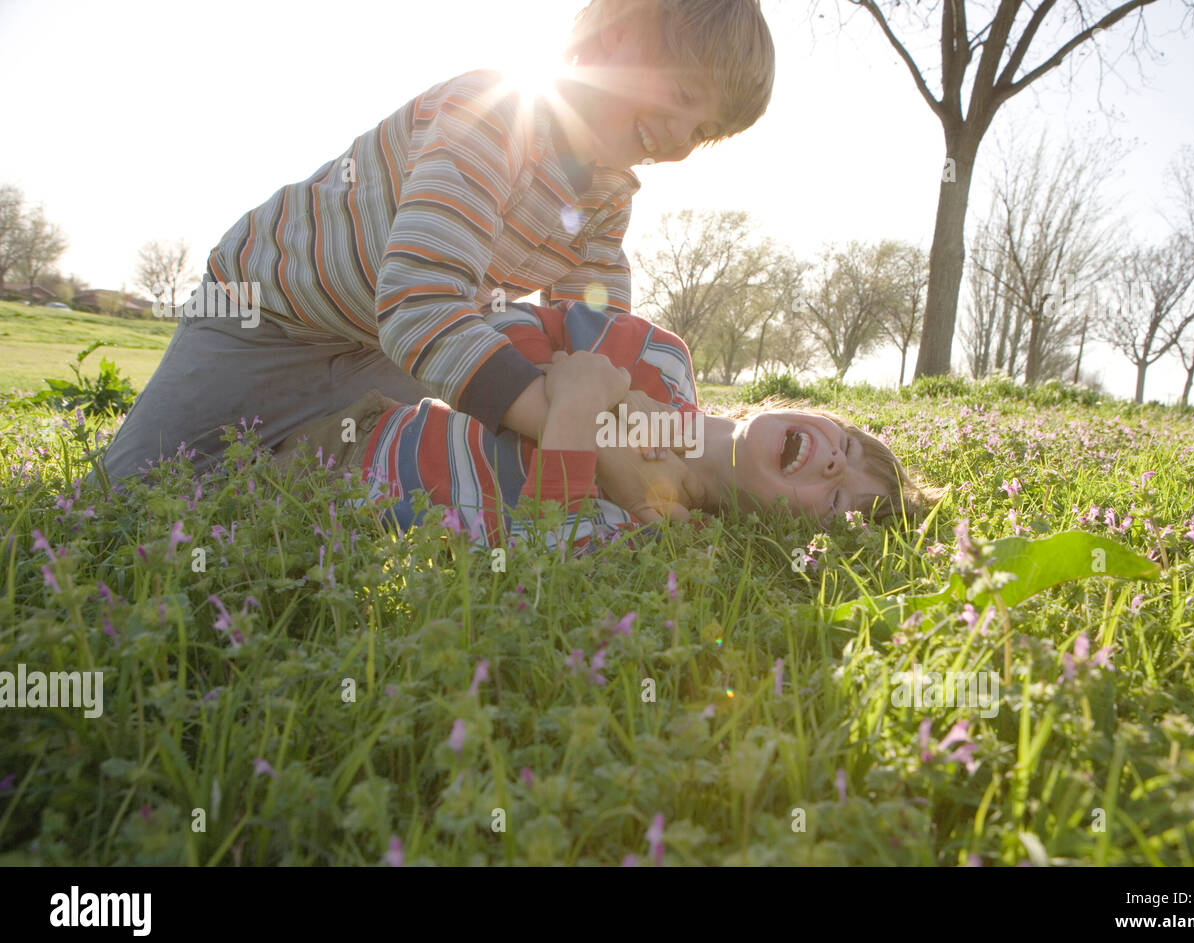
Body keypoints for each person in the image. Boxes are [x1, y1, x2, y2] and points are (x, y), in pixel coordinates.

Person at [102, 0, 776, 526]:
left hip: (389, 353)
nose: (682, 142)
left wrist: (648, 442)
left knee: (317, 487)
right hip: (269, 320)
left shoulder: (605, 199)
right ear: (616, 37)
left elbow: (594, 347)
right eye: (685, 99)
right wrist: (600, 442)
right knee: (127, 499)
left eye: (704, 131)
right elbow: (420, 303)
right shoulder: (491, 113)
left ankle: (303, 459)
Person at [268, 300, 938, 554]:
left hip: (362, 522)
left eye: (838, 501)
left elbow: (541, 554)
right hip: (358, 437)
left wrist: (578, 415)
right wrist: (583, 395)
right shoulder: (659, 357)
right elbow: (507, 327)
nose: (832, 465)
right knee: (197, 481)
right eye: (845, 447)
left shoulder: (670, 530)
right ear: (814, 415)